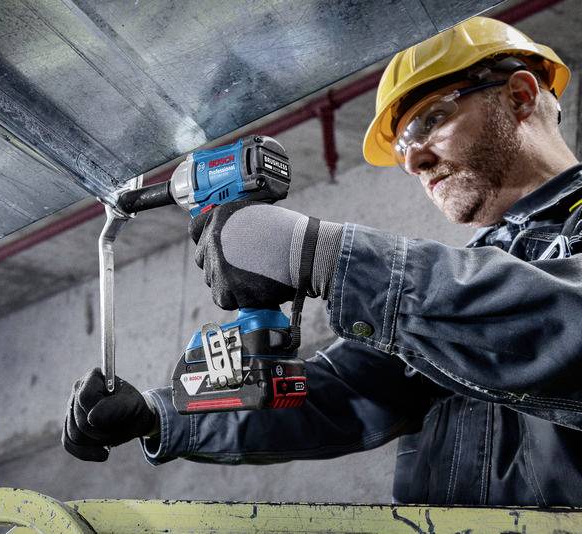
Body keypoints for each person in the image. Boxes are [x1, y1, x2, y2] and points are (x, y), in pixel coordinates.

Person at [63, 16, 582, 506]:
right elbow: (339, 393)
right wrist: (161, 415)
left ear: (519, 95)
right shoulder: (464, 285)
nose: (414, 160)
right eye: (402, 146)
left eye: (432, 117)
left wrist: (323, 255)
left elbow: (564, 325)